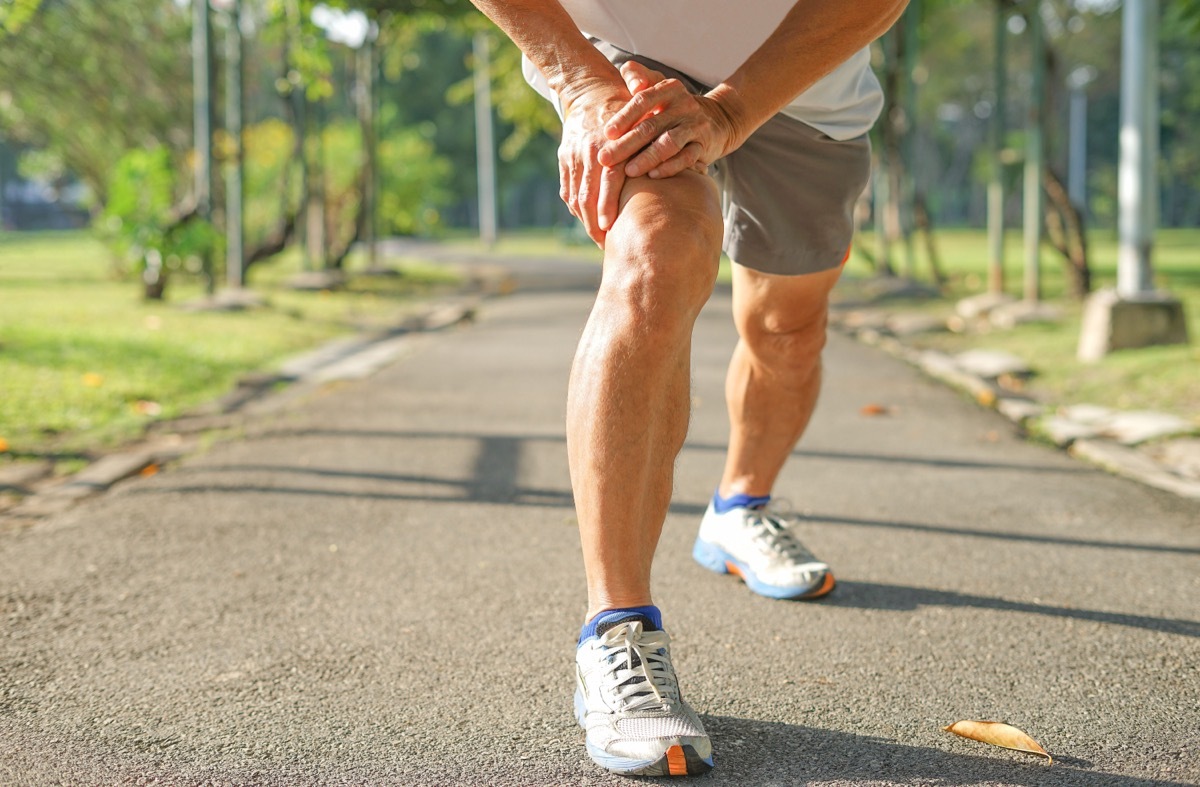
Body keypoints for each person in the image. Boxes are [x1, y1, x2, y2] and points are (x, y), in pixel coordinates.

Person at [465, 0, 908, 776]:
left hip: (804, 79)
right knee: (656, 257)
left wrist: (731, 112)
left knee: (787, 329)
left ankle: (740, 508)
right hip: (624, 55)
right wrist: (579, 83)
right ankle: (617, 630)